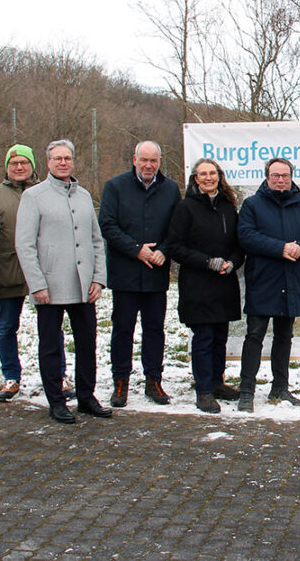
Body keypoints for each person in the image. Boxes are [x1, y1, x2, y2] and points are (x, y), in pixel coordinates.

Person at [16, 139, 112, 424]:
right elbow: (25, 245)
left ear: (73, 161)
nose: (62, 162)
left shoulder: (84, 196)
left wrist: (99, 278)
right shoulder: (33, 196)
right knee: (50, 346)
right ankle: (56, 401)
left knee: (87, 343)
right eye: (57, 158)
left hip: (83, 286)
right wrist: (37, 284)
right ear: (48, 162)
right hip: (50, 286)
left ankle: (86, 397)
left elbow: (96, 240)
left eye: (67, 158)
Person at [237, 158, 300, 412]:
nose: (280, 180)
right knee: (254, 335)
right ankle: (246, 391)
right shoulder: (252, 205)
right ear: (267, 177)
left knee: (284, 336)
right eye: (275, 175)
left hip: (293, 278)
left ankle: (280, 387)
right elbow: (246, 236)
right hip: (263, 279)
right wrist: (281, 248)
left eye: (285, 176)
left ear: (291, 177)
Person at [99, 140, 181, 407]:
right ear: (134, 160)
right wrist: (137, 250)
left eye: (153, 160)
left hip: (156, 273)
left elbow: (176, 228)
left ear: (160, 162)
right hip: (125, 273)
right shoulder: (115, 186)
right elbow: (107, 225)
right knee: (123, 329)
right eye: (144, 160)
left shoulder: (170, 189)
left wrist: (164, 251)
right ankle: (120, 380)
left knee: (155, 329)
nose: (148, 165)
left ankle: (153, 380)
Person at [0, 144, 73, 402]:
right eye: (14, 163)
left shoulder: (45, 192)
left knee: (51, 328)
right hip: (8, 271)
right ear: (6, 167)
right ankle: (11, 377)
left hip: (44, 271)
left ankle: (58, 375)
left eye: (24, 162)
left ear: (33, 165)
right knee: (7, 327)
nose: (19, 167)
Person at [168, 158, 245, 413]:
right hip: (198, 284)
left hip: (224, 283)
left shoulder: (228, 207)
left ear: (219, 177)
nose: (209, 178)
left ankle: (217, 383)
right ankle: (203, 391)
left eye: (213, 173)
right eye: (203, 174)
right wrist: (208, 262)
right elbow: (175, 247)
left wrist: (232, 263)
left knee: (220, 337)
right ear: (195, 179)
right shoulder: (186, 207)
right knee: (203, 338)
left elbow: (238, 245)